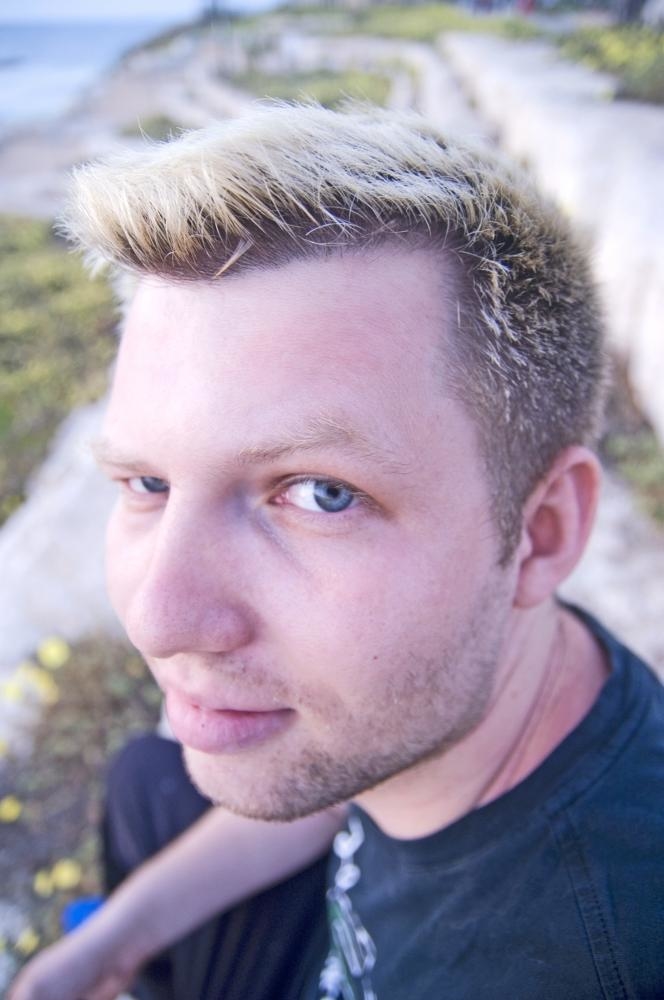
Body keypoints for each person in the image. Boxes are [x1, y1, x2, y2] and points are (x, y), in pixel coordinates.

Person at [11, 103, 664, 999]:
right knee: (147, 780)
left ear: (541, 531)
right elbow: (337, 794)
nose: (158, 620)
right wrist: (110, 946)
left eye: (321, 494)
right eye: (148, 483)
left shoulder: (582, 960)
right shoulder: (441, 704)